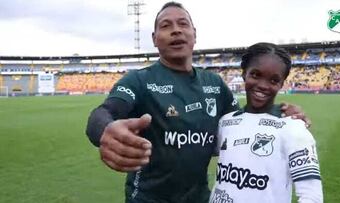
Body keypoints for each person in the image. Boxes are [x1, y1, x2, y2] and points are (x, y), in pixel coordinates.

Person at [86, 2, 310, 203]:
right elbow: (105, 112)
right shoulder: (139, 80)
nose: (176, 30)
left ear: (194, 34)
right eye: (166, 26)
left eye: (183, 23)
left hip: (200, 198)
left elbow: (241, 123)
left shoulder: (214, 83)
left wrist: (281, 113)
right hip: (147, 199)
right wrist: (105, 130)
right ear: (155, 39)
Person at [209, 42, 323, 203]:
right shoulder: (226, 122)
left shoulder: (293, 127)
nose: (263, 85)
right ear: (244, 74)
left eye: (274, 80)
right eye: (255, 75)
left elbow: (312, 196)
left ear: (282, 84)